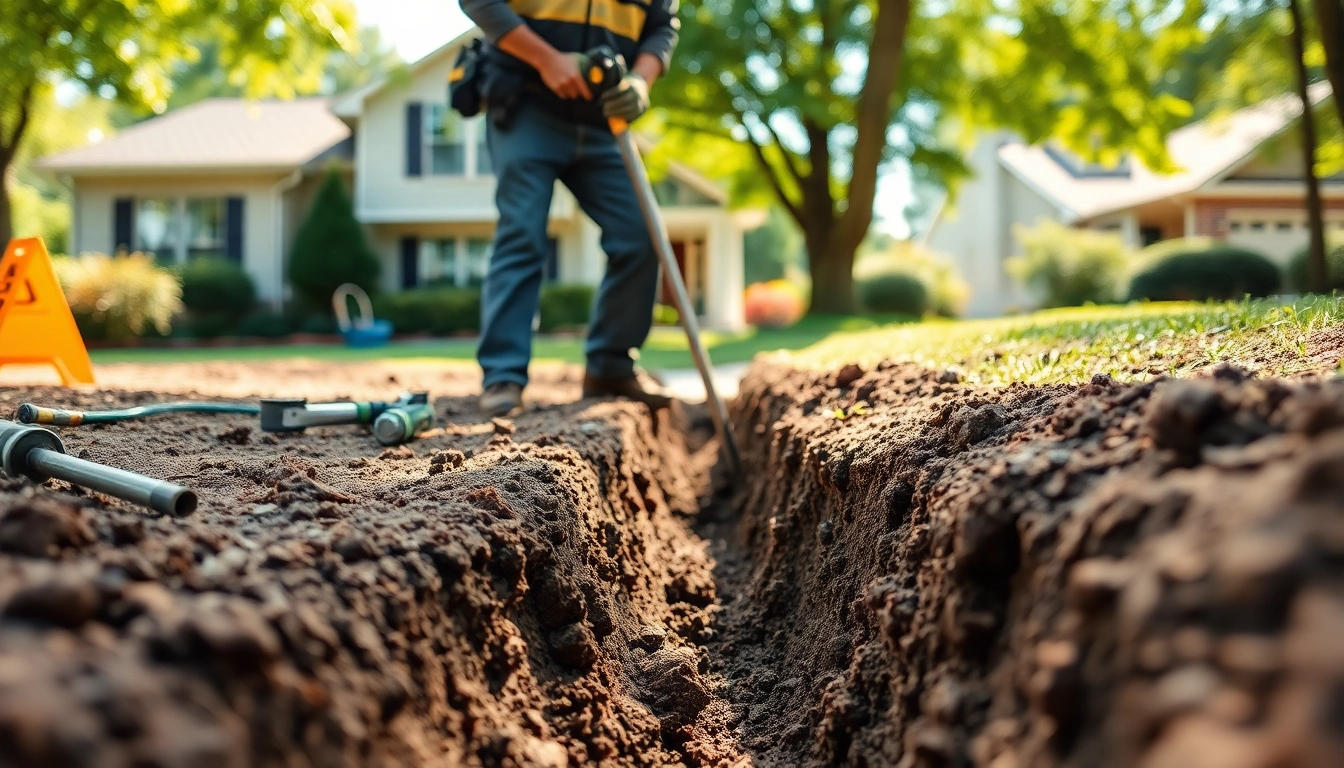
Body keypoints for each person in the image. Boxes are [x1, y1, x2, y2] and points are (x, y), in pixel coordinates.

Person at [459, 0, 680, 417]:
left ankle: (610, 367)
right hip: (526, 104)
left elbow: (661, 25)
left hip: (604, 119)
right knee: (522, 233)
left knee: (642, 234)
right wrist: (547, 60)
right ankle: (503, 375)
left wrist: (641, 80)